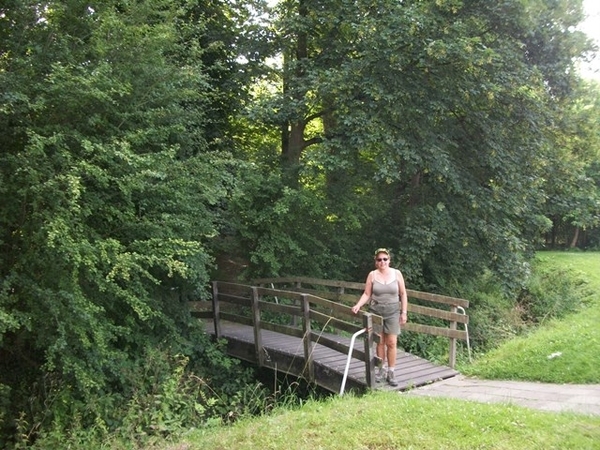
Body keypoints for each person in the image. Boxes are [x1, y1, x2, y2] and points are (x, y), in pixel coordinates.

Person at [351, 248, 408, 387]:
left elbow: (403, 294)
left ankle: (391, 372)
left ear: (389, 260)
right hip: (376, 310)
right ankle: (381, 370)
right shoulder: (372, 275)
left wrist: (404, 312)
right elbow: (366, 293)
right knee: (380, 342)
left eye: (385, 259)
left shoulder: (397, 274)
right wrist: (358, 305)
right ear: (375, 262)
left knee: (392, 342)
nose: (382, 262)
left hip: (393, 311)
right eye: (379, 259)